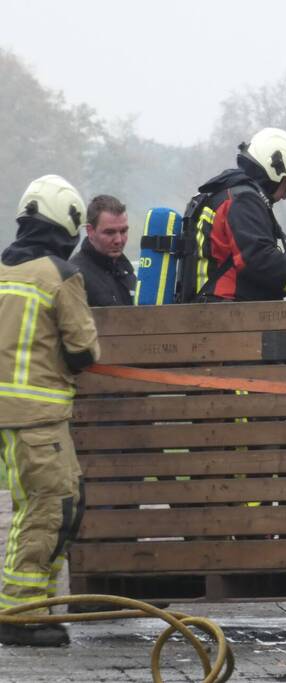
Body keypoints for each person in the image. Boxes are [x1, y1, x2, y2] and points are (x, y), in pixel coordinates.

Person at [0, 175, 100, 647]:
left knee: (60, 505)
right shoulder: (59, 275)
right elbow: (83, 351)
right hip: (38, 420)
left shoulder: (2, 271)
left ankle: (36, 608)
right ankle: (18, 615)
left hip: (11, 421)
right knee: (49, 510)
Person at [178, 127, 286, 302]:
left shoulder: (226, 193)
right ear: (274, 171)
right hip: (228, 314)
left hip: (215, 309)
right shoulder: (244, 200)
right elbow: (257, 260)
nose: (284, 196)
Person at [69, 194, 136, 306]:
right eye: (110, 232)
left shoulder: (127, 272)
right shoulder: (75, 277)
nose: (118, 240)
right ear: (90, 231)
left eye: (123, 231)